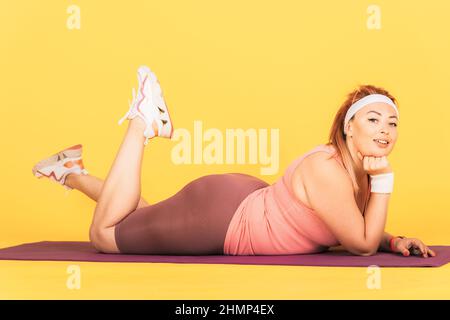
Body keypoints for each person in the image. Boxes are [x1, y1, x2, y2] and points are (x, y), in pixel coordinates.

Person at [32, 66, 436, 258]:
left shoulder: (354, 170)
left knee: (139, 216)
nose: (385, 129)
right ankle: (143, 121)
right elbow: (361, 245)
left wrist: (394, 240)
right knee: (105, 236)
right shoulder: (329, 170)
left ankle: (69, 171)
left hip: (239, 203)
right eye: (373, 119)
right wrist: (384, 181)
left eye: (393, 122)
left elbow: (351, 224)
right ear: (348, 128)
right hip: (225, 219)